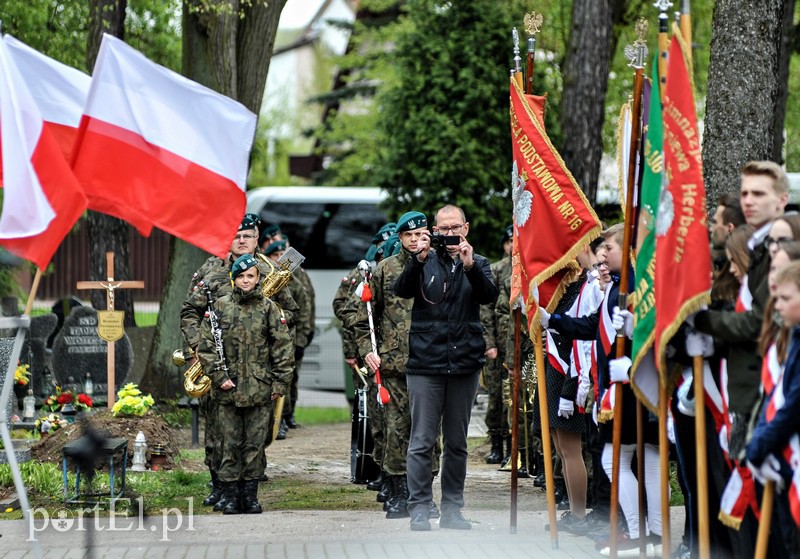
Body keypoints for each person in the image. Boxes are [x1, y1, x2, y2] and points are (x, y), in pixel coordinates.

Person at [393, 204, 498, 531]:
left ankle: (452, 509)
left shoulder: (478, 263)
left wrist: (469, 266)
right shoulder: (424, 261)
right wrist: (418, 259)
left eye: (455, 228)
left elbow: (489, 296)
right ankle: (420, 507)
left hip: (464, 363)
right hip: (426, 363)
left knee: (456, 442)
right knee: (422, 440)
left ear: (465, 228)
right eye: (443, 229)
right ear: (434, 231)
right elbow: (401, 289)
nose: (450, 234)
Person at [181, 214, 298, 507]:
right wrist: (199, 348)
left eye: (248, 235)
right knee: (218, 434)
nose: (242, 240)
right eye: (237, 235)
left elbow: (291, 314)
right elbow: (190, 312)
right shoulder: (210, 269)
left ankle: (244, 490)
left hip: (255, 370)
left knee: (253, 436)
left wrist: (273, 328)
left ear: (257, 239)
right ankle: (221, 487)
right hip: (215, 366)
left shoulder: (270, 271)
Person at [694, 161, 789, 461]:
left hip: (769, 388)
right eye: (745, 193)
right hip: (746, 392)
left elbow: (757, 321)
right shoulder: (758, 247)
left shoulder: (780, 249)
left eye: (759, 194)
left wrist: (701, 320)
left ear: (781, 200)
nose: (749, 200)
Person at [197, 253, 294, 515]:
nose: (245, 281)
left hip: (259, 389)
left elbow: (283, 347)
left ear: (258, 278)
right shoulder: (219, 307)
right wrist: (219, 377)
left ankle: (250, 496)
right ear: (233, 279)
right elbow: (206, 348)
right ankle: (230, 496)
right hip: (227, 390)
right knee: (228, 444)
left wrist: (279, 383)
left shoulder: (269, 308)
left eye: (250, 276)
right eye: (240, 276)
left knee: (254, 445)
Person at [358, 211, 438, 520]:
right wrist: (367, 350)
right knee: (396, 431)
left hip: (431, 364)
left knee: (430, 434)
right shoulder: (384, 271)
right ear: (401, 239)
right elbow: (364, 316)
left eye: (422, 235)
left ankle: (424, 495)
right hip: (394, 365)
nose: (417, 241)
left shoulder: (439, 264)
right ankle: (399, 493)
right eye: (410, 236)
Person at [480, 225, 513, 464]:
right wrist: (489, 343)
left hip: (521, 348)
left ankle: (517, 447)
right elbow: (486, 310)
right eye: (509, 241)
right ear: (504, 245)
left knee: (517, 400)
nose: (513, 245)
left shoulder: (531, 267)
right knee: (496, 399)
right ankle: (496, 444)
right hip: (498, 348)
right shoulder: (496, 270)